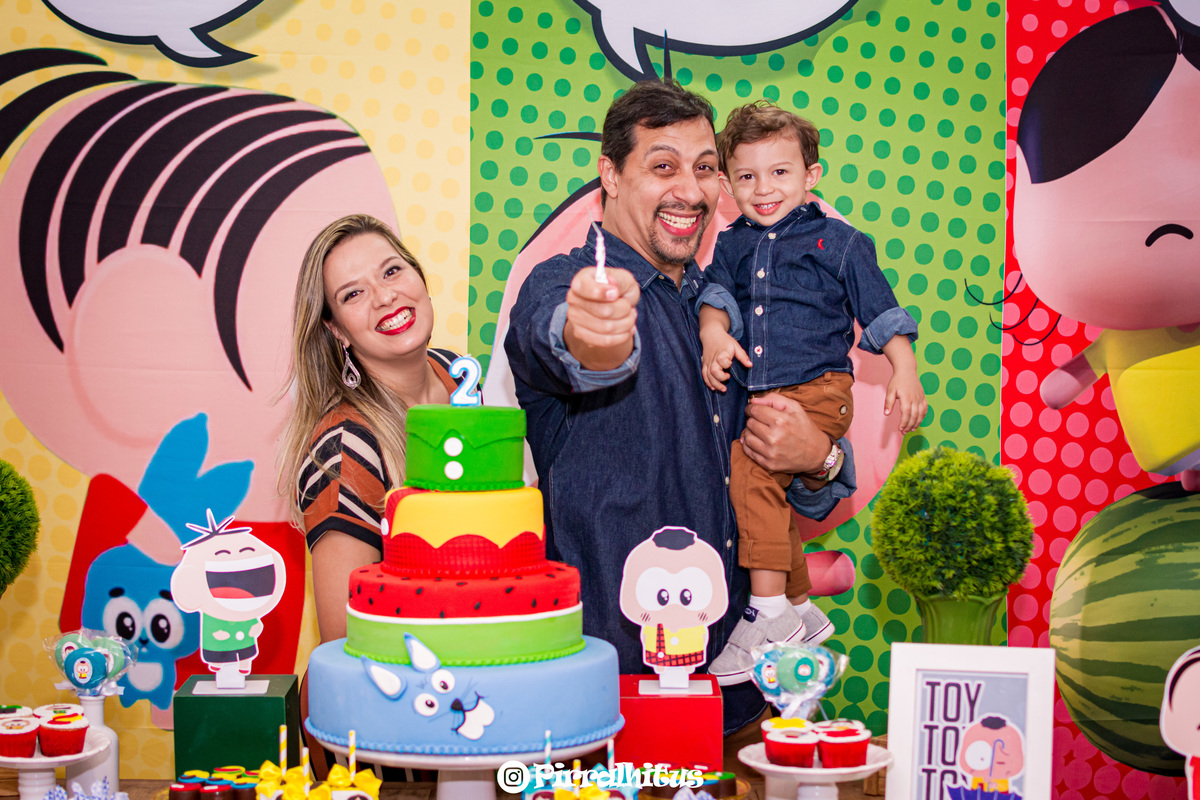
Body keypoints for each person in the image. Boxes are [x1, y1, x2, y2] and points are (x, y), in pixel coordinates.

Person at [504, 80, 852, 732]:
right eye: (663, 167)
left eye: (705, 169)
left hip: (741, 700)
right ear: (610, 174)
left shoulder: (733, 308)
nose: (690, 192)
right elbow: (564, 340)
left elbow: (800, 491)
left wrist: (820, 457)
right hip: (609, 710)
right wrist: (598, 335)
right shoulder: (564, 284)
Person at [698, 101, 926, 684]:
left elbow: (881, 311)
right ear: (726, 186)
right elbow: (714, 299)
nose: (763, 189)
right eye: (747, 176)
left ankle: (767, 611)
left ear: (811, 176)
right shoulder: (730, 246)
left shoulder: (839, 243)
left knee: (752, 476)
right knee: (763, 493)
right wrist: (715, 335)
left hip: (820, 390)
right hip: (761, 392)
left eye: (780, 172)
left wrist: (904, 369)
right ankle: (800, 606)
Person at [278, 214, 462, 643]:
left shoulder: (456, 373)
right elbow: (344, 640)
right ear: (336, 329)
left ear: (419, 275)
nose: (384, 296)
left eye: (392, 271)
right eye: (353, 293)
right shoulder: (344, 448)